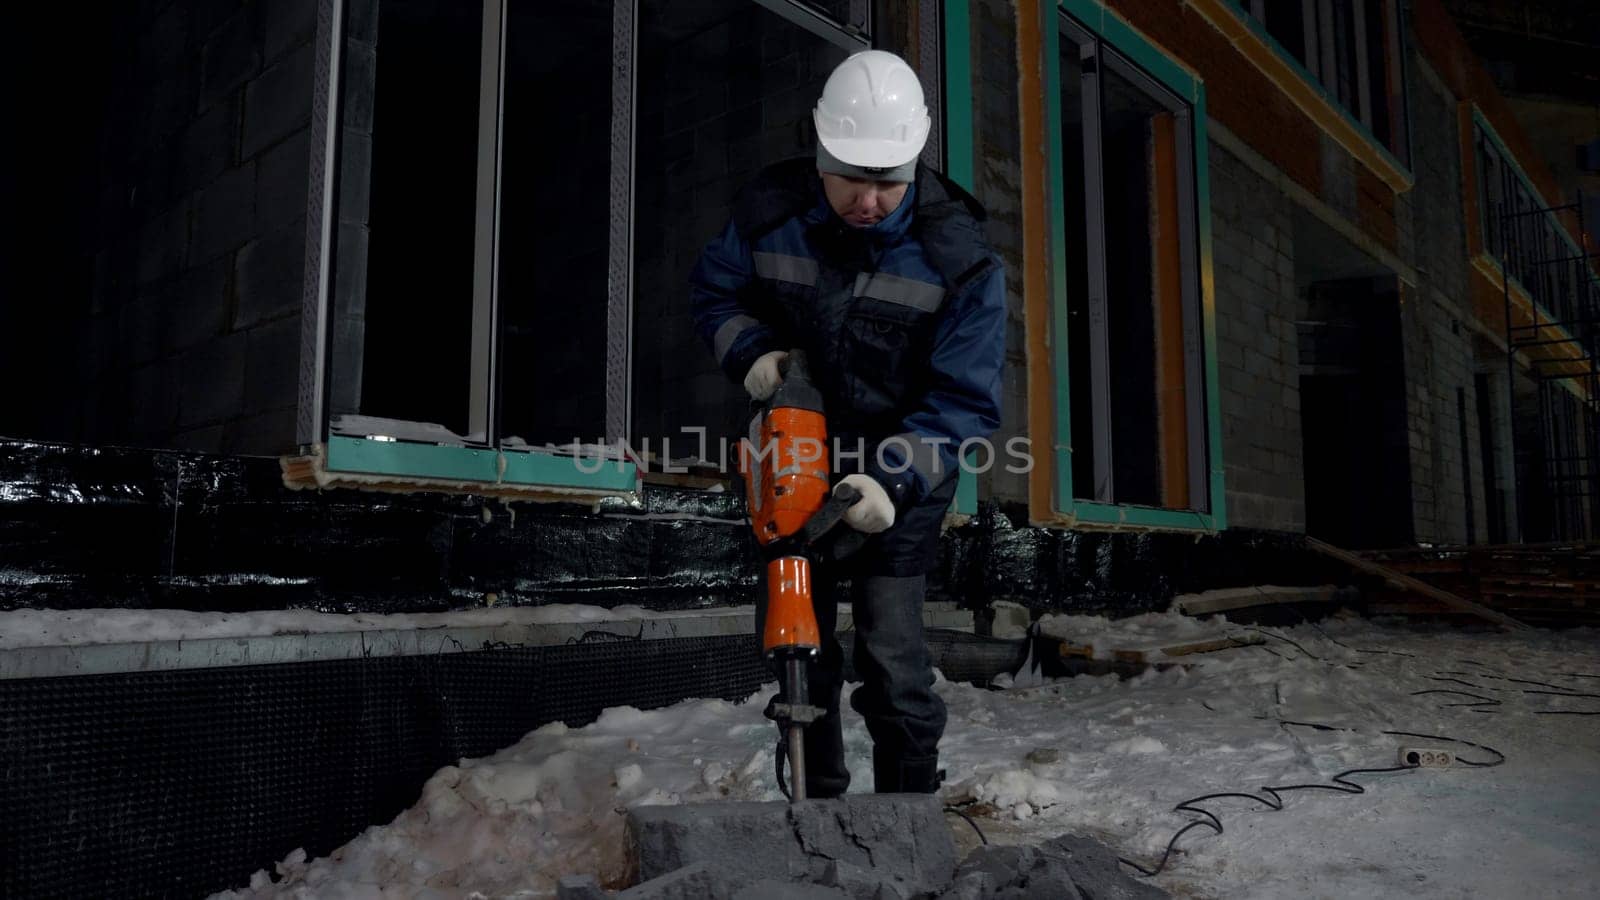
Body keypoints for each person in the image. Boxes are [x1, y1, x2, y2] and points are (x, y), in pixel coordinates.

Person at [689, 49, 1006, 796]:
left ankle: (907, 812)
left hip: (901, 475)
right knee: (799, 650)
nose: (869, 199)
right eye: (852, 179)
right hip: (793, 461)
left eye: (887, 182)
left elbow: (965, 399)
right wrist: (754, 356)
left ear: (913, 165)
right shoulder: (770, 215)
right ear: (823, 156)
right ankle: (818, 809)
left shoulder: (957, 258)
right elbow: (714, 295)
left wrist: (891, 480)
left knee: (892, 658)